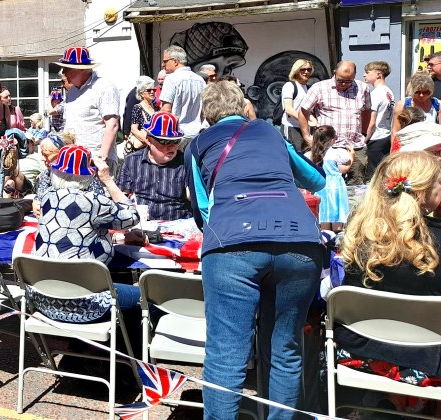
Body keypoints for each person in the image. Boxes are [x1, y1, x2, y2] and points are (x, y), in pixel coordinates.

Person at [186, 81, 327, 419]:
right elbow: (316, 179)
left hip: (232, 244)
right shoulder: (270, 133)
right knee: (284, 350)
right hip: (299, 241)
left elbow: (202, 209)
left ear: (206, 115)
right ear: (244, 108)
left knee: (226, 355)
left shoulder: (198, 144)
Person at [338, 151, 441, 391]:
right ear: (423, 189)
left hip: (360, 353)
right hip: (427, 360)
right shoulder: (434, 242)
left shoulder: (360, 234)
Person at [34, 145, 139, 263]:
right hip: (82, 273)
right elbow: (132, 217)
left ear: (55, 171)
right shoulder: (95, 202)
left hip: (41, 270)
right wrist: (107, 180)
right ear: (89, 174)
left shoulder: (47, 195)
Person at [297, 60, 372, 185]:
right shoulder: (319, 88)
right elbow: (303, 112)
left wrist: (364, 133)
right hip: (327, 149)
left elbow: (366, 111)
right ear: (334, 73)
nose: (344, 84)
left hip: (355, 146)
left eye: (348, 81)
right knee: (326, 184)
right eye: (340, 80)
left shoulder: (362, 88)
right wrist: (306, 136)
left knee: (356, 185)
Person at [116, 112, 192, 221]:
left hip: (177, 223)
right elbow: (122, 198)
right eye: (165, 141)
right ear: (149, 140)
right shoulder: (131, 161)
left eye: (176, 141)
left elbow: (193, 197)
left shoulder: (185, 162)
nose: (172, 147)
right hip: (142, 224)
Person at [55, 47, 120, 171]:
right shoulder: (72, 92)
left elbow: (112, 125)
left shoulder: (104, 87)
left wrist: (102, 158)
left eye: (67, 68)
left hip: (95, 159)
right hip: (73, 159)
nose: (64, 73)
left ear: (82, 69)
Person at [159, 45, 207, 147]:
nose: (163, 65)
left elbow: (166, 110)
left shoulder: (171, 79)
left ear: (175, 62)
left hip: (177, 134)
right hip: (196, 134)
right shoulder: (200, 80)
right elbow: (204, 112)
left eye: (165, 61)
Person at [306, 126, 351, 232]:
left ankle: (325, 237)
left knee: (323, 214)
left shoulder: (311, 154)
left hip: (320, 186)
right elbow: (344, 167)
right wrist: (352, 156)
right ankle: (337, 236)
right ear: (331, 140)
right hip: (336, 187)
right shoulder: (337, 153)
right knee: (337, 215)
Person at [364, 61, 394, 176]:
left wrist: (365, 140)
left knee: (373, 174)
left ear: (378, 74)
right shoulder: (389, 92)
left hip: (375, 137)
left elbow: (371, 121)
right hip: (385, 135)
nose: (364, 75)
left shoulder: (376, 94)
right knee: (383, 171)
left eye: (367, 72)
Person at [391, 71, 440, 139]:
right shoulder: (403, 104)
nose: (421, 95)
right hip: (409, 142)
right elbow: (395, 131)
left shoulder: (437, 105)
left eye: (426, 92)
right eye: (418, 92)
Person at [127, 76, 158, 156]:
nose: (152, 92)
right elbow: (134, 129)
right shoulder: (138, 107)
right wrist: (148, 142)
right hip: (142, 148)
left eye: (154, 90)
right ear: (141, 93)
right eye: (149, 90)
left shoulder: (155, 107)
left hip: (152, 147)